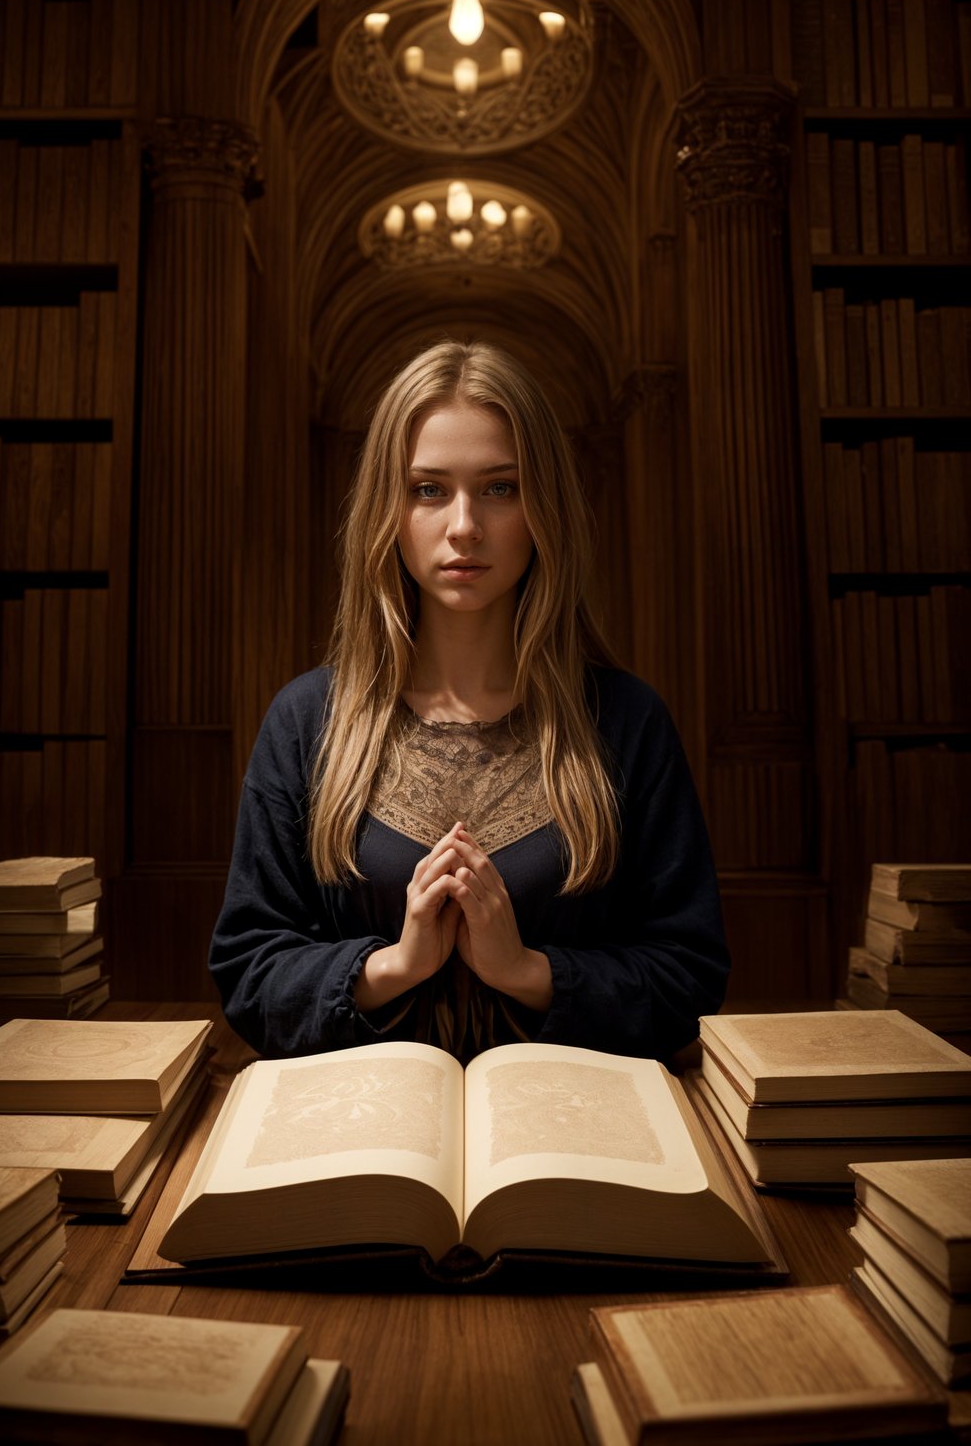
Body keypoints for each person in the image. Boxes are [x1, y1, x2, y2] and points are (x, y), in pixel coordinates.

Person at [209, 340, 729, 1062]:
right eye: (429, 489)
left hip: (568, 1139)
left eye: (500, 487)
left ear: (542, 504)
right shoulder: (308, 723)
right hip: (360, 1139)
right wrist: (393, 965)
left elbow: (689, 978)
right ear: (387, 510)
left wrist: (526, 972)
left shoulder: (626, 722)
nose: (463, 526)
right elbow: (247, 974)